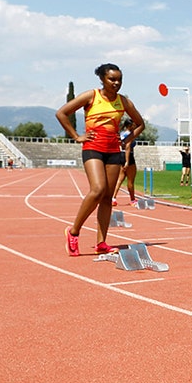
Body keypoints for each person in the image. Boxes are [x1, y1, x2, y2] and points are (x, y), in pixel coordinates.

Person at [57, 62, 146, 257]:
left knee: (107, 196)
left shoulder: (124, 102)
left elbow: (140, 124)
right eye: (112, 79)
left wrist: (126, 139)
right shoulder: (92, 96)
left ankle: (101, 243)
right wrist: (76, 136)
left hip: (113, 150)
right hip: (93, 148)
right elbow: (61, 113)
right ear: (102, 79)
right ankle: (73, 232)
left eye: (119, 80)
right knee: (97, 190)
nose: (116, 83)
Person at [112, 117, 139, 206]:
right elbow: (127, 147)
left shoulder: (122, 134)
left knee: (120, 179)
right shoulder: (129, 135)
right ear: (130, 125)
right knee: (130, 180)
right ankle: (132, 200)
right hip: (128, 156)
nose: (135, 126)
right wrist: (127, 161)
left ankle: (113, 198)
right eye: (134, 125)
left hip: (121, 156)